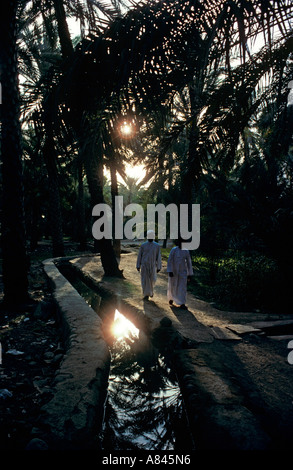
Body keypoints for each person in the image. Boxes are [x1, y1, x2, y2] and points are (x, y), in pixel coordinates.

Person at [167, 238, 193, 309]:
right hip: (174, 272)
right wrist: (170, 270)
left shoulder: (186, 251)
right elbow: (170, 261)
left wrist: (189, 274)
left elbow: (189, 263)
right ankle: (171, 298)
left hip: (183, 273)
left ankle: (182, 303)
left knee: (182, 288)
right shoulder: (174, 250)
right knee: (173, 286)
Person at [136, 230, 162, 300]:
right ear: (147, 236)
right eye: (149, 235)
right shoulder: (143, 245)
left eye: (152, 235)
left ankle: (150, 292)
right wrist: (138, 265)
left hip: (153, 265)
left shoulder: (156, 246)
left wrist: (159, 267)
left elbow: (158, 257)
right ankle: (146, 295)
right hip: (144, 265)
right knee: (145, 280)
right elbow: (139, 256)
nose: (150, 237)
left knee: (152, 280)